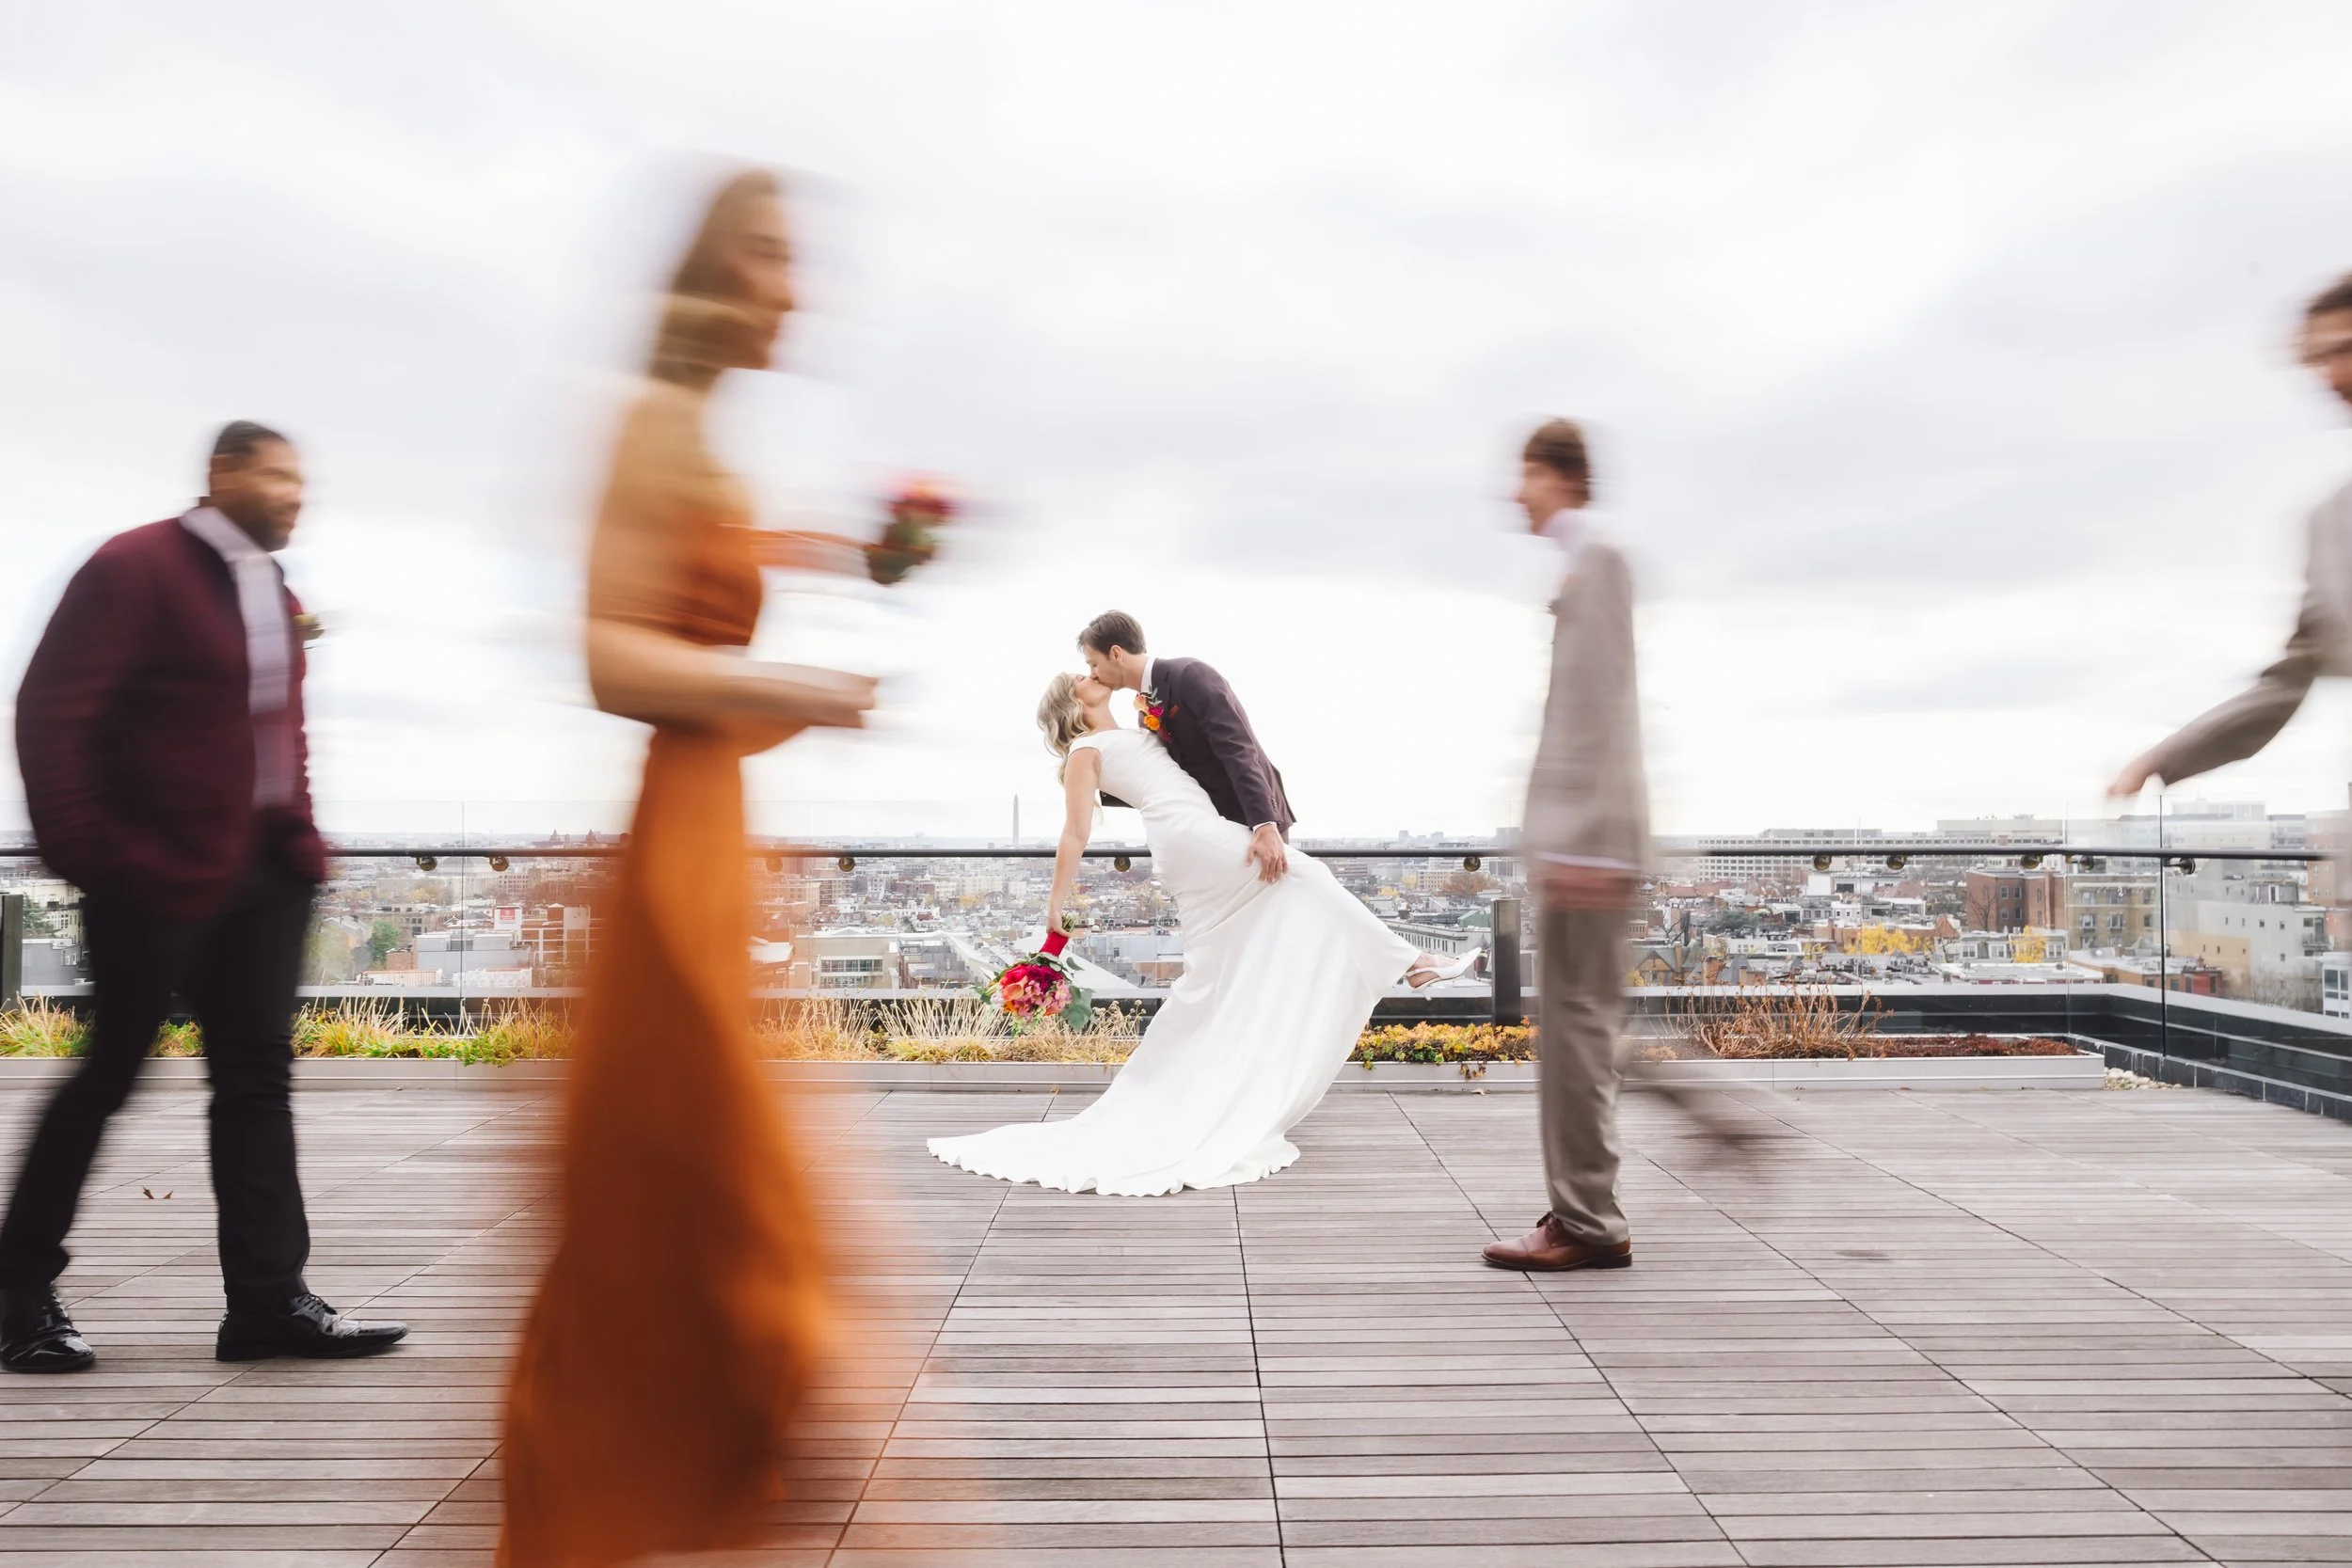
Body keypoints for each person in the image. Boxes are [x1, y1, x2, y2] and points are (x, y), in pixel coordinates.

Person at [497, 168, 882, 1568]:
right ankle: (644, 1476)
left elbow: (707, 674)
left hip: (715, 830)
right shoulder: (656, 425)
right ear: (720, 274)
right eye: (777, 255)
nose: (799, 286)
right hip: (678, 840)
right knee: (694, 1180)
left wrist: (807, 630)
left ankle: (690, 1469)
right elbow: (616, 661)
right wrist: (797, 682)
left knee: (710, 1183)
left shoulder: (706, 445)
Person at [2, 421, 407, 1368]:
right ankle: (19, 1289)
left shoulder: (269, 588)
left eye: (302, 476)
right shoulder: (135, 565)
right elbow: (53, 708)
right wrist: (92, 852)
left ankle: (268, 1303)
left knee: (257, 1079)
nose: (295, 491)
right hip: (152, 869)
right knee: (113, 1071)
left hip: (264, 872)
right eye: (276, 473)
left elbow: (280, 732)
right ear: (221, 472)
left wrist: (300, 838)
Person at [925, 628, 1479, 1196]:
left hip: (1196, 836)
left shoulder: (1137, 726)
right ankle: (1412, 962)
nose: (1090, 674)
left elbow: (1224, 748)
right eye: (1081, 677)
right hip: (1190, 837)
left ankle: (1190, 1090)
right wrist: (1054, 908)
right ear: (1073, 704)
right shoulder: (1084, 753)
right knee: (1306, 875)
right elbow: (1074, 832)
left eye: (1092, 667)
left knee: (1210, 975)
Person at [1482, 419, 1650, 1273]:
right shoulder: (1587, 566)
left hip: (1591, 844)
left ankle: (1587, 1221)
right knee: (1583, 1029)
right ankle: (1585, 1205)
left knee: (1577, 1034)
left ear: (1560, 477)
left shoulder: (1599, 564)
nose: (1517, 492)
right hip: (1590, 841)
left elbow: (1596, 709)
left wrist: (1579, 839)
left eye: (1527, 475)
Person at [2109, 272, 2352, 799]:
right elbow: (2292, 675)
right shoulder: (2332, 523)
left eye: (2346, 350)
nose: (2332, 377)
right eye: (2318, 361)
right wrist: (2164, 758)